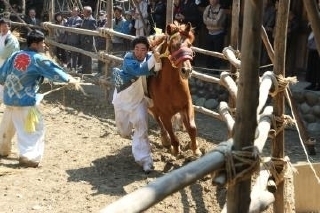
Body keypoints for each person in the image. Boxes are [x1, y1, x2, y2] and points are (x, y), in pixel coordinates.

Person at [0, 30, 79, 167]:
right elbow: (53, 70)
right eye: (43, 43)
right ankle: (28, 156)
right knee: (33, 128)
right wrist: (69, 79)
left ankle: (2, 149)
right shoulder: (38, 59)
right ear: (35, 44)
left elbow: (2, 75)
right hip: (25, 101)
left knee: (8, 125)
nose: (44, 46)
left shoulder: (15, 55)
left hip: (9, 98)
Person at [112, 36, 161, 173]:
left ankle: (145, 160)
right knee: (124, 132)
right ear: (133, 50)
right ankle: (131, 136)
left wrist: (157, 59)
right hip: (121, 101)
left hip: (139, 101)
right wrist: (153, 59)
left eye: (143, 50)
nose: (139, 52)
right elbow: (140, 70)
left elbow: (156, 68)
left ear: (147, 51)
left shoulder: (149, 57)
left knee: (142, 128)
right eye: (137, 49)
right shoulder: (128, 59)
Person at [203, 0, 227, 70]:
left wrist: (208, 20)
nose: (212, 1)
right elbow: (204, 20)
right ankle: (208, 68)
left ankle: (216, 69)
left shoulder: (221, 10)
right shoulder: (208, 8)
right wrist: (211, 21)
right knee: (209, 52)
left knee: (217, 53)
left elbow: (217, 22)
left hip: (218, 34)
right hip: (209, 33)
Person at [0, 18, 20, 103]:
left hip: (6, 65)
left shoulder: (12, 39)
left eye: (5, 26)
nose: (3, 28)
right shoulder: (0, 36)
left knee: (4, 86)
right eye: (1, 26)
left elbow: (5, 54)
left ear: (9, 27)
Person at [79, 6, 97, 74]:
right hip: (83, 40)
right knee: (84, 56)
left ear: (88, 12)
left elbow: (93, 31)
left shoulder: (92, 20)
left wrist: (87, 39)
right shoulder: (84, 19)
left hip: (88, 41)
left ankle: (88, 71)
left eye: (84, 11)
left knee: (88, 56)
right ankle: (84, 70)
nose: (83, 12)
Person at [65, 7, 83, 72]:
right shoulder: (69, 18)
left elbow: (76, 26)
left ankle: (74, 68)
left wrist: (69, 28)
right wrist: (69, 28)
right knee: (68, 53)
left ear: (78, 12)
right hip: (69, 38)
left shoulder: (79, 19)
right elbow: (66, 25)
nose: (74, 12)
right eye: (73, 11)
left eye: (75, 11)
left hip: (75, 39)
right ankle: (68, 66)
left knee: (74, 54)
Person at [96, 10, 107, 74]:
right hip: (99, 41)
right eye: (100, 15)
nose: (101, 16)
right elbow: (96, 29)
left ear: (105, 15)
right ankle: (99, 71)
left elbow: (102, 30)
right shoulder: (98, 22)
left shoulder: (106, 22)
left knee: (104, 56)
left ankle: (103, 72)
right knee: (99, 56)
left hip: (104, 41)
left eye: (102, 15)